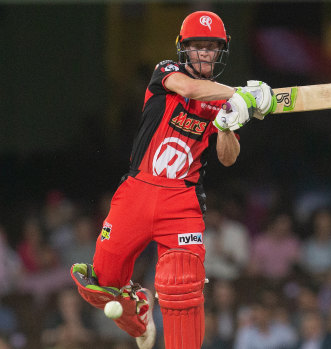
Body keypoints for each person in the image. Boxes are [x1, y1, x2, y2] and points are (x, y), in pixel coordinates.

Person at [70, 10, 277, 349]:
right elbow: (193, 89)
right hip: (137, 190)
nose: (205, 54)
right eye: (198, 47)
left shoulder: (224, 104)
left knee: (182, 282)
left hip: (181, 201)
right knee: (100, 284)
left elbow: (228, 157)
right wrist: (241, 94)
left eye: (212, 47)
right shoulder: (166, 72)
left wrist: (226, 124)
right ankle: (138, 311)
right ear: (184, 49)